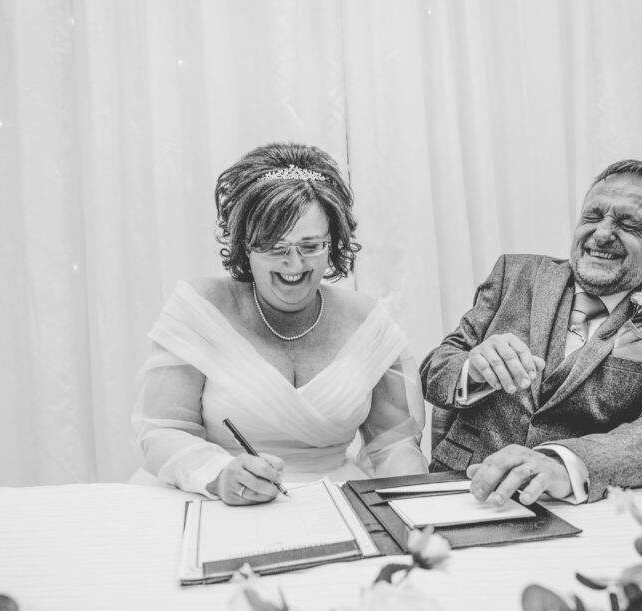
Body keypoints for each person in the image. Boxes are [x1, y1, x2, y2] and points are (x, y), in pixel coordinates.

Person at [132, 142, 427, 505]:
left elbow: (392, 443)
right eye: (275, 247)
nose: (294, 263)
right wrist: (219, 474)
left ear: (332, 243)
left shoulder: (368, 323)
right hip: (210, 499)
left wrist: (416, 508)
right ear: (246, 246)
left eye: (310, 246)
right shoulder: (200, 310)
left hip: (333, 501)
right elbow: (163, 431)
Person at [420, 159, 642, 506]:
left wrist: (564, 464)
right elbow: (434, 370)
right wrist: (473, 368)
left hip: (574, 506)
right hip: (463, 487)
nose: (603, 234)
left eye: (628, 224)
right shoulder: (513, 275)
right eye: (592, 217)